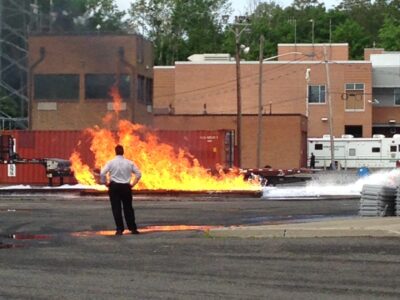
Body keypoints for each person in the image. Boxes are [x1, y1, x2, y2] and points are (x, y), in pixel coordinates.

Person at [100, 145, 142, 235]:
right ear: (123, 152)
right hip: (126, 187)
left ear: (115, 152)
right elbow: (138, 174)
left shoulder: (110, 163)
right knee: (128, 208)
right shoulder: (129, 163)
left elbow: (102, 173)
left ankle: (119, 229)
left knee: (116, 208)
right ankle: (133, 228)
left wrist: (105, 183)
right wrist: (132, 184)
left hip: (114, 187)